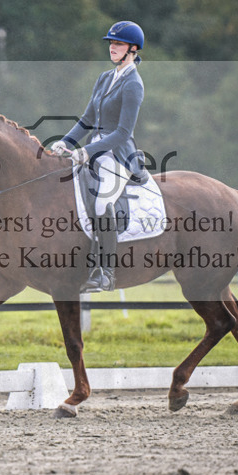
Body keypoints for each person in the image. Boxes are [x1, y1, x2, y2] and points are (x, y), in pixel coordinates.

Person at [51, 20, 146, 294]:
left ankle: (105, 272)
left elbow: (122, 132)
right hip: (93, 152)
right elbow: (87, 119)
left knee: (103, 202)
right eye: (111, 43)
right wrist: (66, 142)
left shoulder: (133, 85)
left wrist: (86, 151)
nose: (112, 48)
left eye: (118, 44)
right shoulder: (105, 78)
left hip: (118, 155)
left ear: (133, 49)